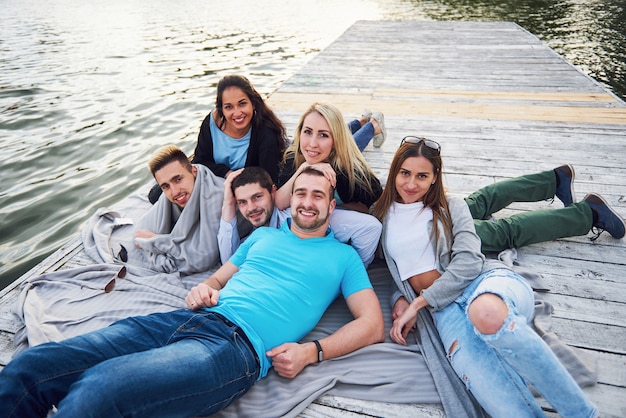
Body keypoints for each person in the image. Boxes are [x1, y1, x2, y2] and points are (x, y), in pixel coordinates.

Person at [0, 167, 385, 418]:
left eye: (317, 195)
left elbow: (372, 324)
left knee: (98, 391)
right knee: (31, 367)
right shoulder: (264, 236)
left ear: (331, 207)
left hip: (235, 350)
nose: (306, 202)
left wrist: (310, 352)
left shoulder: (343, 258)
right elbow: (220, 278)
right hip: (186, 320)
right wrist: (205, 287)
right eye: (300, 193)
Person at [371, 137, 598, 417]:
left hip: (481, 284)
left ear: (434, 178)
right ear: (395, 171)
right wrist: (400, 299)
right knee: (496, 397)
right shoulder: (381, 217)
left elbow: (469, 262)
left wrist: (419, 303)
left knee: (486, 312)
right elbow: (394, 271)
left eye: (422, 176)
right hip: (444, 313)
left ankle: (583, 414)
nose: (410, 183)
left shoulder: (452, 206)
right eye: (405, 173)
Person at [148, 74, 288, 203]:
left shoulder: (265, 132)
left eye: (242, 103)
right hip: (214, 178)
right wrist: (227, 173)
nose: (237, 113)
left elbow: (267, 178)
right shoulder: (211, 123)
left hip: (244, 187)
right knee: (157, 196)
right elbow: (200, 160)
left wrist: (234, 182)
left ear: (253, 103)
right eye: (228, 107)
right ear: (221, 109)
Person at [276, 102, 384, 264]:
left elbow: (375, 206)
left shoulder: (351, 172)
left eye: (323, 135)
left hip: (341, 159)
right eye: (307, 132)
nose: (312, 143)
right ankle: (361, 121)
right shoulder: (295, 156)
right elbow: (279, 202)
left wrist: (346, 207)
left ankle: (373, 125)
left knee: (352, 145)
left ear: (336, 140)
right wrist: (304, 168)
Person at [217, 166, 381, 266]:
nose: (251, 208)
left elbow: (370, 228)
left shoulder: (303, 214)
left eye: (257, 197)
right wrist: (228, 203)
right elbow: (229, 261)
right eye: (242, 202)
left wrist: (353, 272)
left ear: (273, 192)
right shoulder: (253, 238)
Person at [466, 161, 625, 251]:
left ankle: (590, 213)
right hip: (440, 213)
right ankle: (554, 180)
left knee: (504, 233)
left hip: (441, 233)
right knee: (478, 203)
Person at [134, 144, 224, 274]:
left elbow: (203, 258)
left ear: (194, 171)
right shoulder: (176, 192)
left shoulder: (216, 197)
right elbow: (140, 232)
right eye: (165, 186)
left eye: (178, 179)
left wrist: (155, 241)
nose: (174, 191)